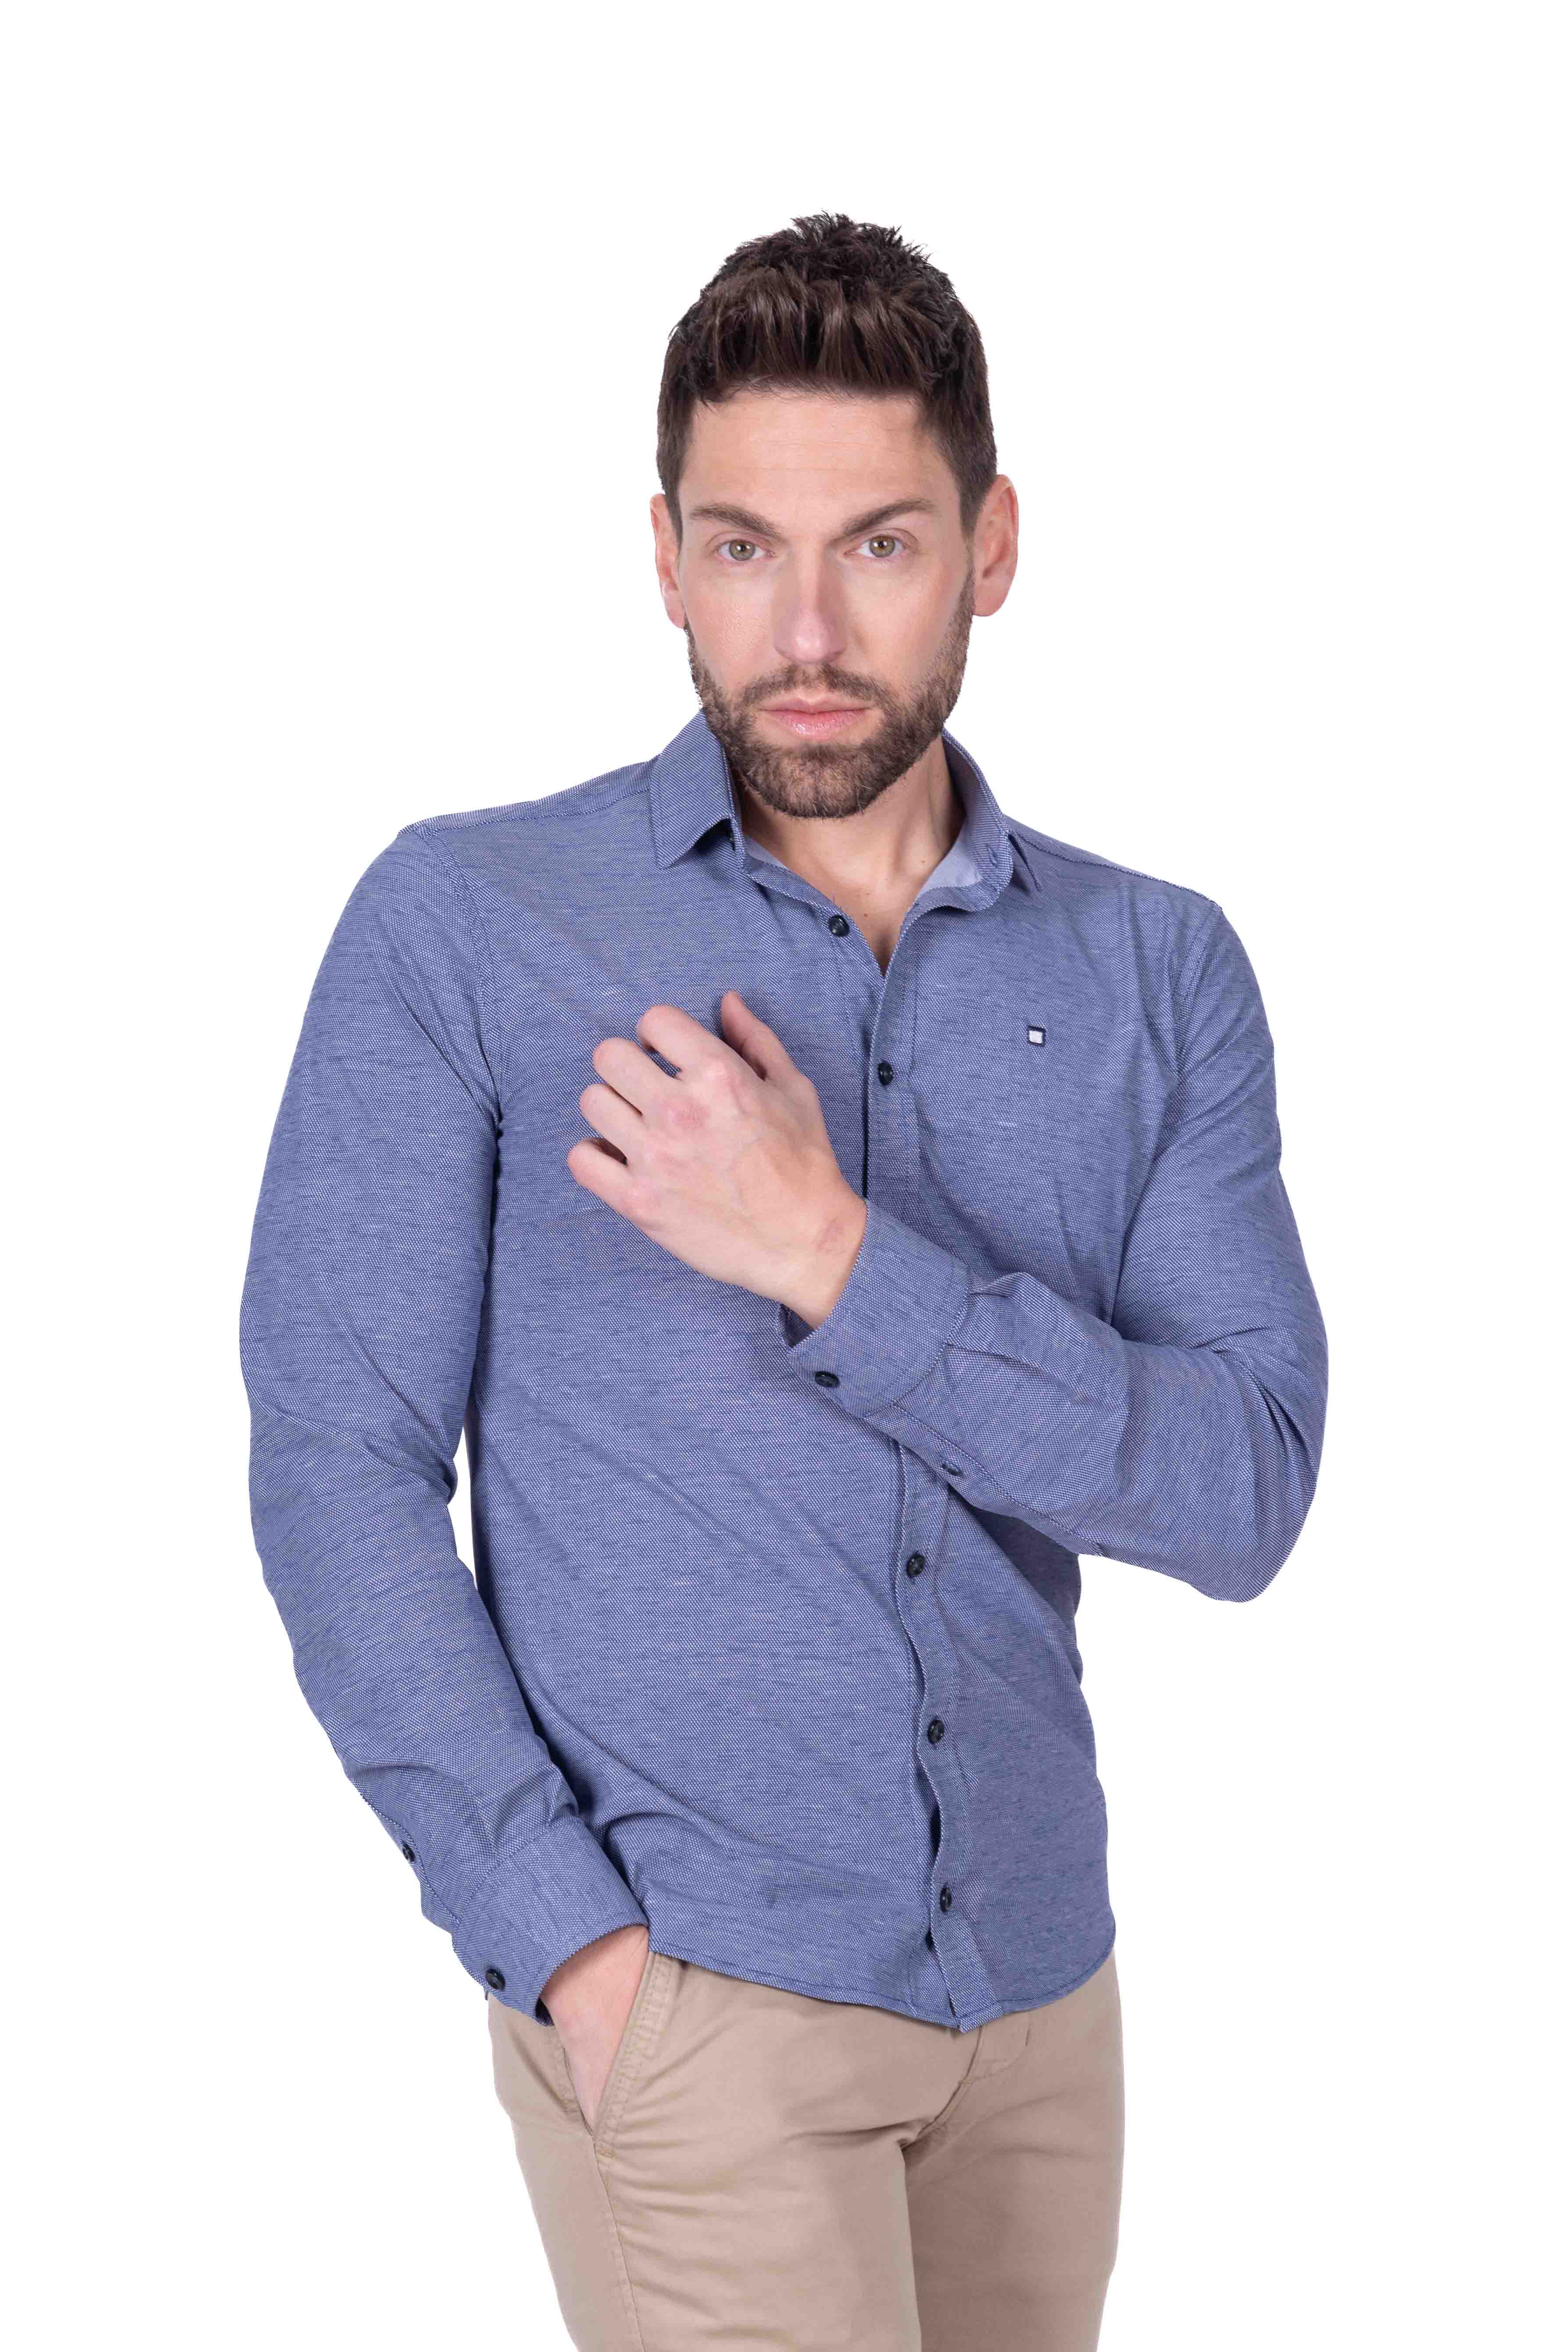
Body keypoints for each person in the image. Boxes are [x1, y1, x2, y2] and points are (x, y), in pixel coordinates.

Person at [239, 211, 1329, 2351]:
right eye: (743, 550)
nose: (806, 631)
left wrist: (832, 1256)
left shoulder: (1157, 968)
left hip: (1042, 2004)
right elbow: (334, 1468)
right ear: (665, 556)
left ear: (992, 547)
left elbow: (1247, 1489)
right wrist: (570, 1947)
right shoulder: (465, 928)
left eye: (880, 547)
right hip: (698, 2004)